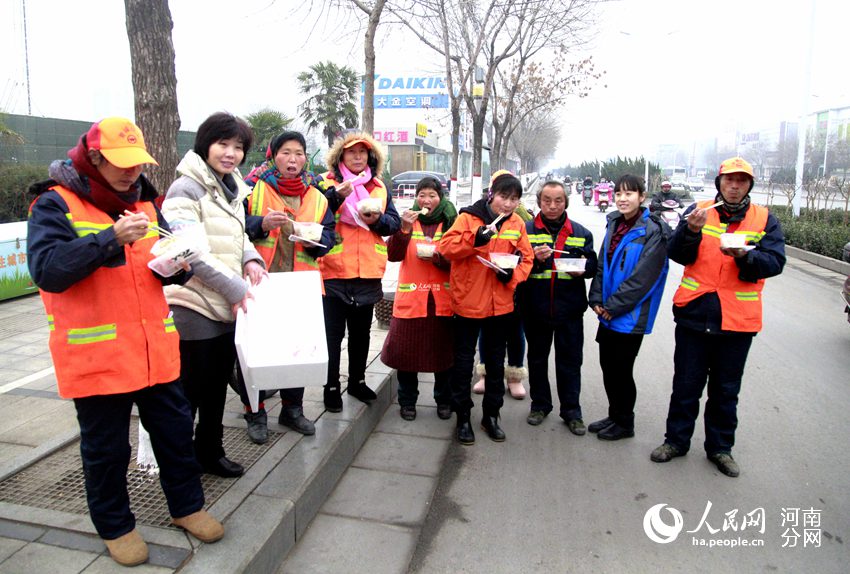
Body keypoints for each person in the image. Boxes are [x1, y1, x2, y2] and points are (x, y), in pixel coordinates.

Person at [26, 118, 223, 566]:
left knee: (175, 433)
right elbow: (49, 271)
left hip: (154, 349)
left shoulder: (148, 204)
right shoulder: (54, 204)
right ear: (93, 159)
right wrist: (108, 239)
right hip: (99, 356)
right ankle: (116, 525)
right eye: (121, 164)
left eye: (138, 165)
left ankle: (187, 507)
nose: (131, 174)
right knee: (107, 448)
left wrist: (180, 263)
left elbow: (158, 262)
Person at [650, 157, 785, 477]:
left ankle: (721, 448)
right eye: (729, 180)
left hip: (738, 320)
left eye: (741, 181)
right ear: (719, 183)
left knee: (725, 389)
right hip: (695, 312)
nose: (734, 186)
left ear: (749, 185)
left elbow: (775, 261)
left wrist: (746, 257)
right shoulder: (699, 211)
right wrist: (690, 232)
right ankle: (676, 441)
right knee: (685, 384)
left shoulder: (764, 219)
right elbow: (678, 253)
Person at [162, 112, 266, 478]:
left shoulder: (232, 186)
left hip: (224, 306)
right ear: (205, 144)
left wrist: (251, 257)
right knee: (189, 393)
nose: (231, 153)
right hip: (194, 304)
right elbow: (189, 251)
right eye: (223, 144)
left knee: (216, 389)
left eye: (238, 147)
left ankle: (210, 450)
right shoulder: (185, 189)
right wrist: (237, 287)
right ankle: (177, 464)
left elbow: (237, 236)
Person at [236, 130, 335, 443]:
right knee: (255, 354)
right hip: (260, 284)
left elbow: (329, 235)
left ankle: (292, 409)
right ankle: (255, 411)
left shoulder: (317, 195)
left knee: (299, 351)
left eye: (299, 153)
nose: (293, 160)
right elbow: (234, 227)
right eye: (286, 153)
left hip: (301, 286)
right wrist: (260, 224)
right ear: (273, 156)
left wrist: (319, 241)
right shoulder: (252, 189)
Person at [439, 171, 533, 444]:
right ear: (492, 194)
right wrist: (475, 240)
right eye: (504, 197)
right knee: (463, 363)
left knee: (495, 362)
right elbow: (446, 248)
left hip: (500, 305)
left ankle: (491, 416)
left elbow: (526, 259)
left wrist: (512, 276)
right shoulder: (469, 217)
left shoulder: (517, 223)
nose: (508, 204)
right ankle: (463, 418)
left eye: (514, 199)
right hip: (468, 302)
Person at [318, 132, 401, 412]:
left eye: (362, 153)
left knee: (361, 333)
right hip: (333, 271)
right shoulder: (326, 184)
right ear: (340, 156)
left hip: (367, 272)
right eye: (351, 152)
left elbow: (393, 224)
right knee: (332, 336)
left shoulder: (379, 187)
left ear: (370, 157)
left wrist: (377, 220)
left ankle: (357, 381)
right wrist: (335, 198)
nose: (357, 157)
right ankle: (330, 387)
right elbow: (314, 219)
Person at [588, 174, 669, 441]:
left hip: (630, 314)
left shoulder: (652, 230)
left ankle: (625, 423)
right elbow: (603, 264)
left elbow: (645, 276)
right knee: (607, 365)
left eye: (629, 194)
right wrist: (597, 299)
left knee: (621, 369)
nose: (623, 199)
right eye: (619, 194)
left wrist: (614, 305)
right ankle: (614, 415)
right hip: (608, 312)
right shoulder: (614, 223)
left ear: (641, 197)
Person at [518, 180, 597, 434]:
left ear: (566, 202)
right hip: (535, 309)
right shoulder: (525, 230)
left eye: (558, 201)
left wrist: (581, 269)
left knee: (570, 362)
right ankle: (540, 405)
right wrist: (535, 261)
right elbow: (515, 266)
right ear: (539, 202)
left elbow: (592, 267)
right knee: (538, 360)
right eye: (547, 201)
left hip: (569, 311)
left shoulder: (581, 232)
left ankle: (571, 412)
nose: (552, 206)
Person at [380, 176, 458, 421]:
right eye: (422, 195)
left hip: (442, 300)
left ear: (440, 197)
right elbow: (392, 255)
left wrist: (436, 257)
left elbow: (459, 259)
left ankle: (443, 400)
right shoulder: (408, 221)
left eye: (432, 195)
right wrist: (402, 229)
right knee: (406, 354)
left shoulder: (451, 223)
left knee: (443, 355)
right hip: (411, 299)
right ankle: (407, 401)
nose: (426, 200)